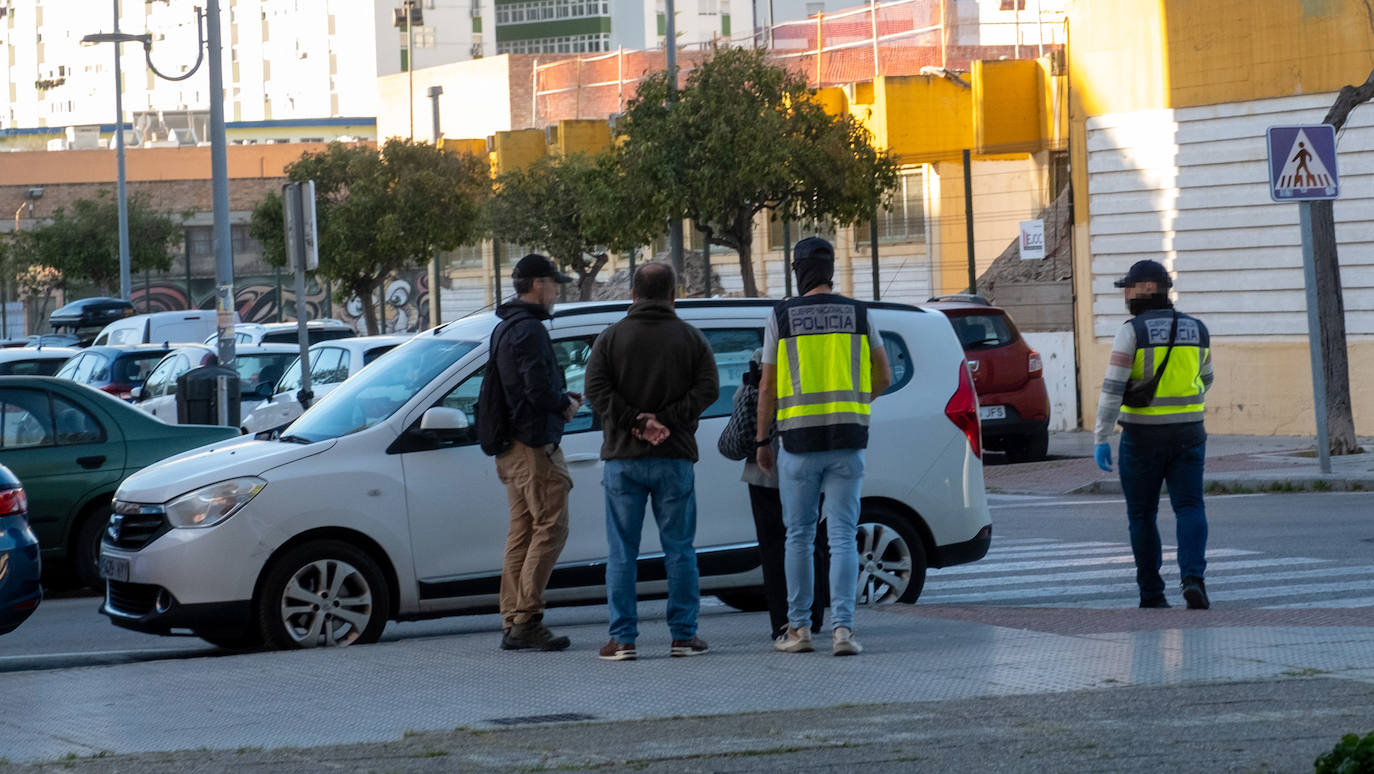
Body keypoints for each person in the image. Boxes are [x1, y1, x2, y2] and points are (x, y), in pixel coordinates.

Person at [756, 237, 892, 656]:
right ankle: (844, 632)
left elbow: (768, 386)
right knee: (843, 538)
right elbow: (883, 375)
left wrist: (763, 440)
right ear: (830, 268)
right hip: (848, 441)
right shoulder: (858, 313)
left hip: (797, 443)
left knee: (796, 536)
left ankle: (798, 630)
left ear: (798, 270)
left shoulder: (783, 315)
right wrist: (853, 401)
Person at [584, 263, 719, 661]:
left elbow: (594, 388)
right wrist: (667, 421)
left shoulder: (610, 338)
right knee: (680, 549)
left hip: (623, 460)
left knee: (621, 551)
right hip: (674, 457)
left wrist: (634, 422)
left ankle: (623, 639)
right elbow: (709, 388)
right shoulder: (692, 339)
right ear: (673, 294)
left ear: (634, 294)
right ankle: (683, 635)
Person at [1092, 259, 1214, 610]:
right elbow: (1206, 380)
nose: (1125, 294)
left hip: (1142, 437)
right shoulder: (1198, 329)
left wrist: (1101, 436)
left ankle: (1152, 593)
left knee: (1142, 514)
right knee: (1190, 507)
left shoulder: (1132, 331)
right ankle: (1194, 579)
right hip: (1190, 433)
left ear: (1146, 289)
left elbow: (1113, 388)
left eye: (1127, 288)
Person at [483, 253, 583, 651]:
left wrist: (556, 398)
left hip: (512, 447)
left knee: (522, 530)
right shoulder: (529, 331)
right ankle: (527, 619)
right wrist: (565, 405)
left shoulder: (506, 328)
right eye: (553, 284)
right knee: (551, 527)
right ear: (538, 284)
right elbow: (536, 391)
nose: (556, 291)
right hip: (533, 446)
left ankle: (513, 618)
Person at [734, 349, 829, 641]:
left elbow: (743, 405)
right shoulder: (814, 359)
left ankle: (782, 621)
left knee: (773, 548)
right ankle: (813, 616)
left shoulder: (762, 359)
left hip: (766, 470)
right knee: (811, 541)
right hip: (809, 462)